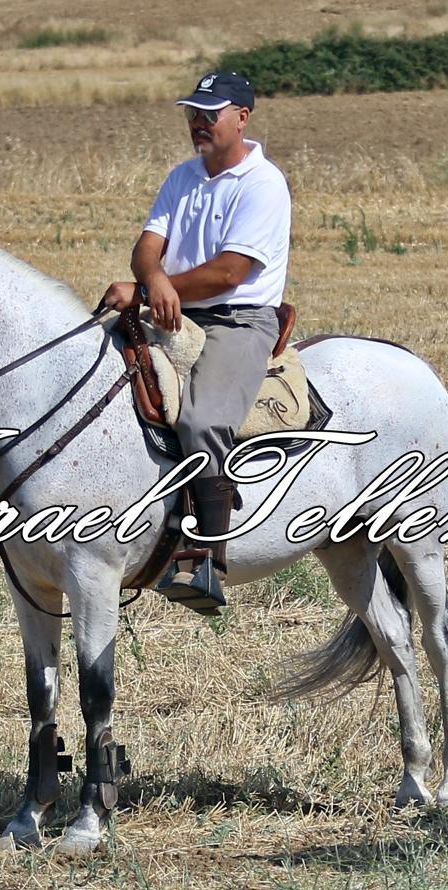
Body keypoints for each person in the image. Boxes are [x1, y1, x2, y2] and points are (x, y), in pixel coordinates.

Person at [101, 71, 292, 614]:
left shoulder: (263, 184)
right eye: (193, 113)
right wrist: (151, 281)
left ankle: (206, 558)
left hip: (239, 319)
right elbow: (147, 246)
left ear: (242, 118)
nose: (198, 123)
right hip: (172, 307)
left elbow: (231, 272)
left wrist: (149, 287)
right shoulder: (182, 176)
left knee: (201, 420)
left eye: (210, 114)